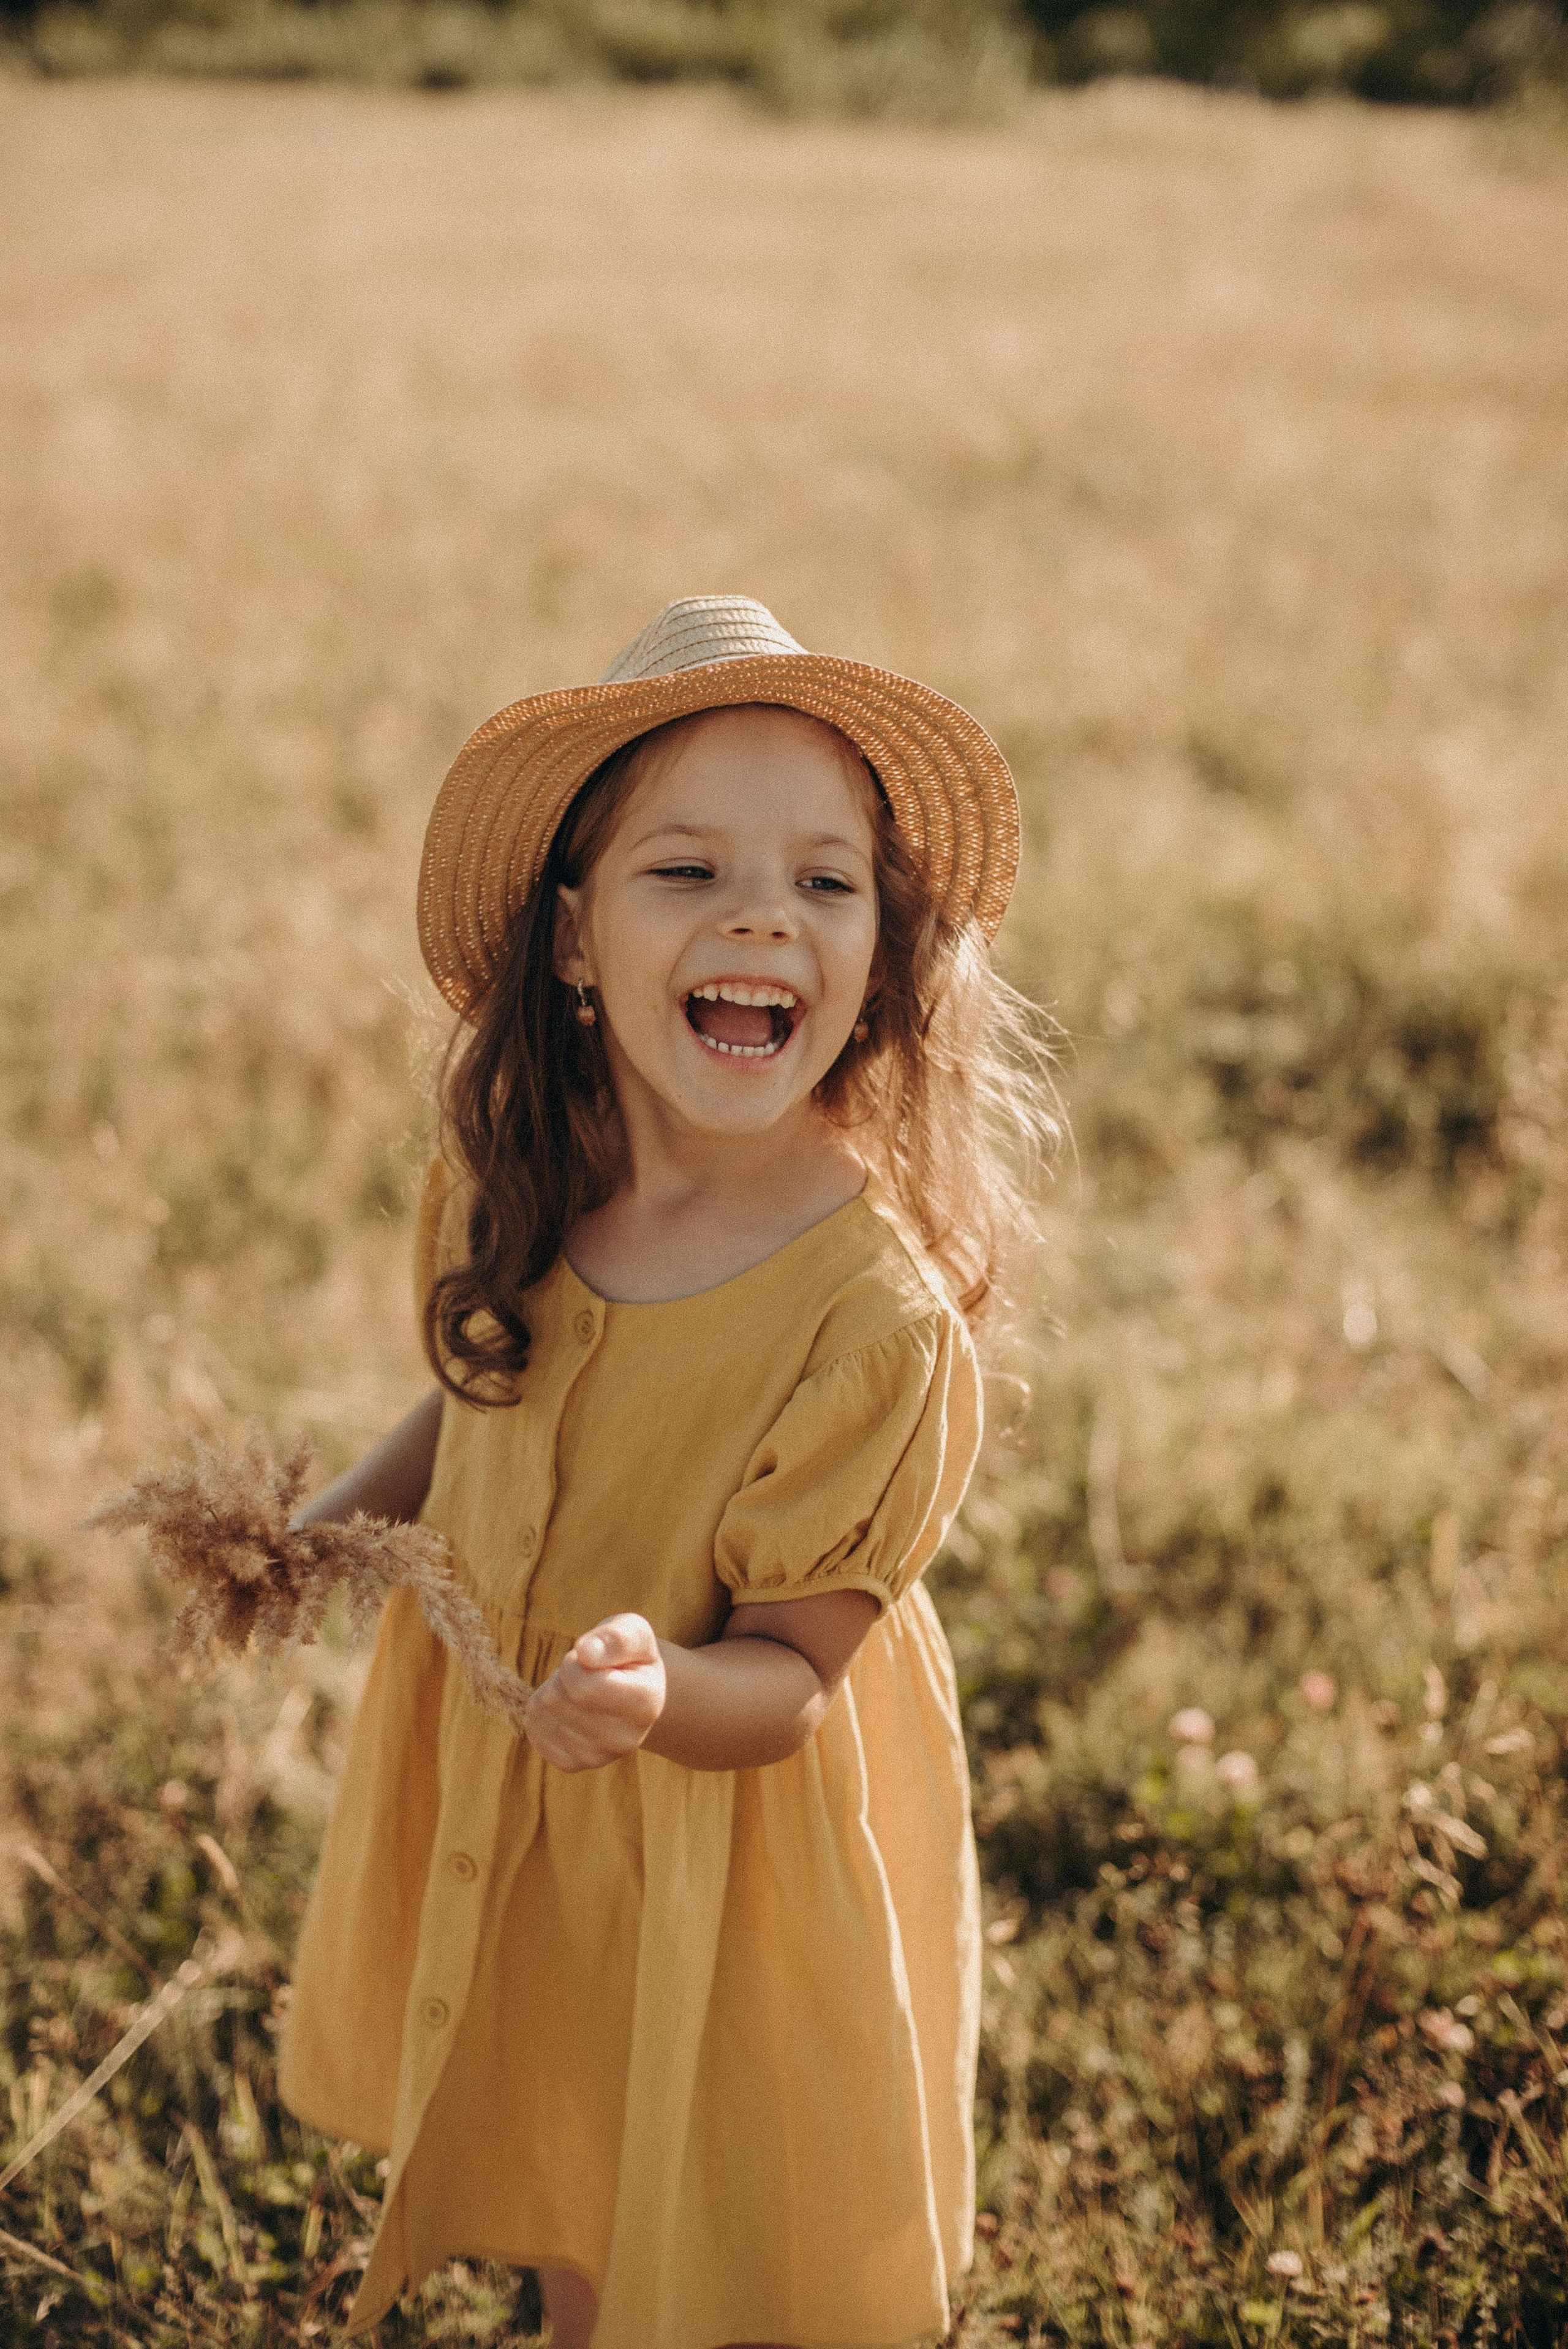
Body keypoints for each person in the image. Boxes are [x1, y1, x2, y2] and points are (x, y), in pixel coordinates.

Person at [276, 596, 1054, 2349]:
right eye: (686, 871)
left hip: (718, 1826)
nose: (763, 912)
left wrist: (655, 1683)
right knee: (575, 2132)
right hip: (541, 1809)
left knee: (714, 2186)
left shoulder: (870, 1319)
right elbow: (483, 1412)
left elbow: (787, 1674)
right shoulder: (518, 1183)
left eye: (825, 881)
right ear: (574, 936)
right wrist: (331, 1530)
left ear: (883, 952)